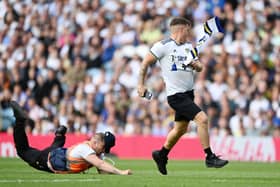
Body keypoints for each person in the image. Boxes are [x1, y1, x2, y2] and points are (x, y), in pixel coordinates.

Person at [137, 17, 228, 175]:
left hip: (188, 94)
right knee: (203, 119)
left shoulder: (188, 47)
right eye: (188, 29)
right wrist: (140, 85)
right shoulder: (162, 46)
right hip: (176, 95)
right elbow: (145, 63)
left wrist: (197, 65)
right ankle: (209, 156)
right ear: (181, 29)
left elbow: (199, 67)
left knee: (180, 129)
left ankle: (161, 154)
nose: (190, 32)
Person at [8, 100, 132, 175]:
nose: (104, 151)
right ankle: (20, 121)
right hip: (47, 160)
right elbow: (100, 165)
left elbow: (102, 170)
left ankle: (60, 135)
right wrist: (121, 172)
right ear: (99, 144)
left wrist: (104, 165)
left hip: (56, 152)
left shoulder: (93, 150)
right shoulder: (87, 150)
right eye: (105, 148)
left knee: (56, 146)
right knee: (22, 151)